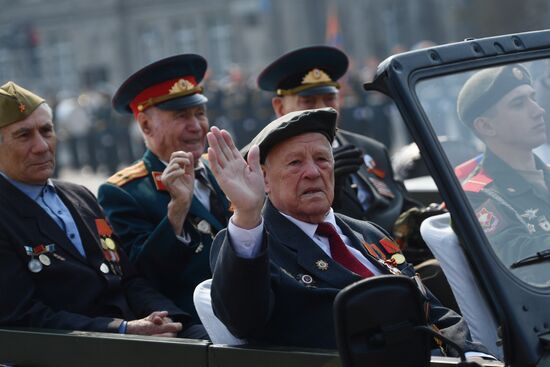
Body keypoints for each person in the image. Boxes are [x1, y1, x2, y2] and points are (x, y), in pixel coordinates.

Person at [205, 107, 490, 357]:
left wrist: (474, 353)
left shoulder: (369, 233)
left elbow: (433, 310)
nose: (313, 172)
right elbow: (242, 320)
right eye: (295, 163)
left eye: (322, 159)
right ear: (264, 178)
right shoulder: (253, 245)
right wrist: (247, 214)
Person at [0, 81, 205, 338]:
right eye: (23, 135)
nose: (42, 146)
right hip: (77, 349)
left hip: (131, 335)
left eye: (46, 130)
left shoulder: (78, 195)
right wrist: (122, 329)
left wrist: (170, 319)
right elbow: (22, 316)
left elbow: (129, 279)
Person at [97, 54, 232, 323]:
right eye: (181, 116)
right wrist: (177, 212)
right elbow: (141, 277)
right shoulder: (123, 192)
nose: (196, 126)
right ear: (146, 124)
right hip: (197, 323)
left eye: (200, 113)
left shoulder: (225, 169)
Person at [256, 45, 419, 234]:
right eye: (308, 102)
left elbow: (403, 207)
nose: (322, 109)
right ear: (280, 107)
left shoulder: (371, 149)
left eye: (329, 99)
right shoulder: (262, 162)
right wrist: (334, 193)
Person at [456, 64, 549, 286]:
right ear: (486, 126)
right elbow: (525, 262)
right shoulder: (478, 195)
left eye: (533, 98)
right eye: (519, 104)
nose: (538, 110)